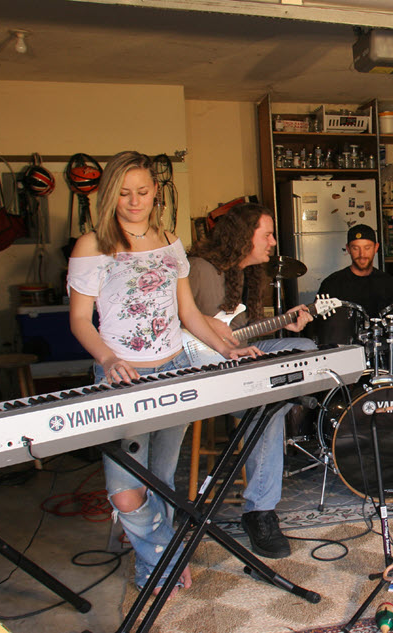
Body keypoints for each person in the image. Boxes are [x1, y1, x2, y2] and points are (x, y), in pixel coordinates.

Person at [67, 151, 259, 593]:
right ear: (109, 194)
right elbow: (80, 320)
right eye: (124, 193)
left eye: (142, 191)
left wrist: (226, 349)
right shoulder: (92, 245)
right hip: (122, 377)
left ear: (156, 191)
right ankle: (162, 556)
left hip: (173, 369)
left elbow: (188, 313)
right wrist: (110, 360)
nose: (134, 201)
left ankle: (152, 566)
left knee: (163, 479)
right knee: (126, 490)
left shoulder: (170, 242)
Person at [187, 202, 317, 559]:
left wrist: (282, 322)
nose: (274, 241)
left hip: (240, 358)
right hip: (208, 371)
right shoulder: (200, 269)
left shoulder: (244, 274)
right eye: (267, 234)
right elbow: (179, 324)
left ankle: (281, 399)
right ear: (245, 237)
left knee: (304, 346)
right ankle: (259, 512)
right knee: (269, 408)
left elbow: (241, 334)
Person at [318, 224, 393, 398]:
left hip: (383, 350)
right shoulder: (332, 283)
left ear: (376, 248)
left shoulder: (386, 282)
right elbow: (322, 327)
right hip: (346, 354)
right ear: (348, 249)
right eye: (356, 248)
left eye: (367, 248)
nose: (361, 254)